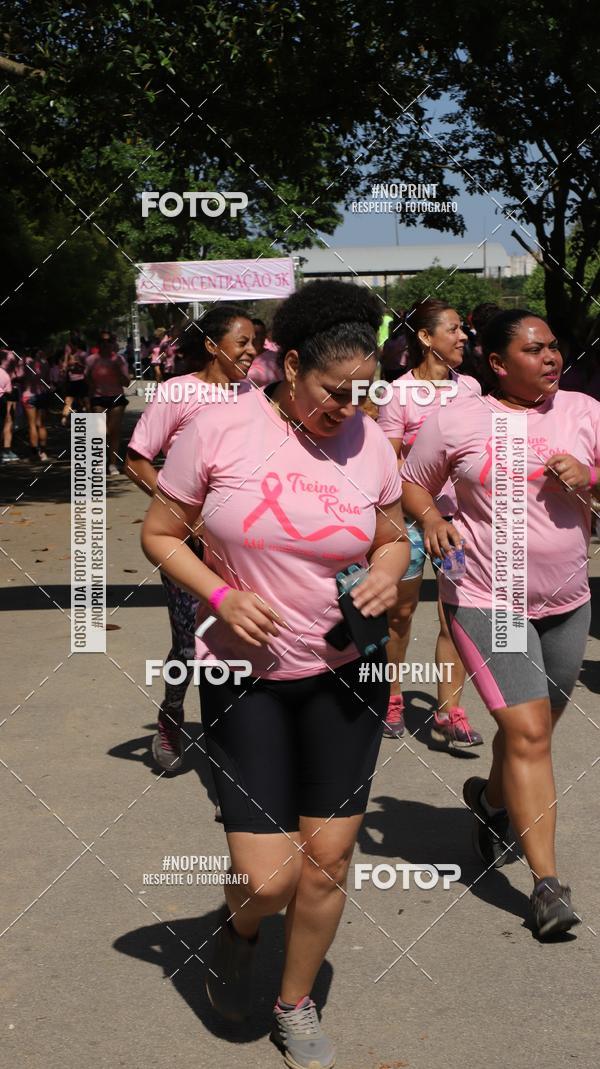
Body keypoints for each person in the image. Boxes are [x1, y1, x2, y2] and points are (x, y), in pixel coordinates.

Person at [141, 280, 409, 1069]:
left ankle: (295, 1004)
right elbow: (161, 532)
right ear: (290, 368)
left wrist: (388, 569)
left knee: (327, 860)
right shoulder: (218, 429)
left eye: (362, 393)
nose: (348, 409)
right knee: (267, 878)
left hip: (347, 675)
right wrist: (222, 594)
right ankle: (241, 925)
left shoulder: (371, 441)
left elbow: (393, 535)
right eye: (334, 391)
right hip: (245, 676)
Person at [401, 308, 598, 937]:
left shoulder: (585, 412)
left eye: (553, 346)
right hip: (490, 599)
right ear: (496, 363)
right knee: (530, 734)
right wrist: (433, 520)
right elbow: (412, 483)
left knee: (529, 735)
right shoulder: (457, 420)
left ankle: (489, 801)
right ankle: (547, 887)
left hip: (568, 603)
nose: (551, 357)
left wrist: (590, 476)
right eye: (534, 349)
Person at [125, 306, 257, 772]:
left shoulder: (254, 395)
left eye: (255, 342)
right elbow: (137, 460)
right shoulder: (177, 391)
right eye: (243, 342)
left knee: (242, 635)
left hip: (243, 542)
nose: (252, 350)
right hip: (186, 542)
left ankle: (238, 739)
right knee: (188, 642)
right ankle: (171, 715)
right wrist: (186, 514)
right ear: (213, 346)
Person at [377, 299, 484, 747]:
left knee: (453, 616)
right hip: (409, 525)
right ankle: (391, 697)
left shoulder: (471, 388)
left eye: (463, 329)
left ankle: (449, 711)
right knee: (399, 615)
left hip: (458, 524)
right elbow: (388, 462)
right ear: (425, 337)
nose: (464, 336)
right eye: (453, 329)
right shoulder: (397, 393)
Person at [87, 330, 130, 475]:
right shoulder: (91, 360)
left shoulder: (119, 360)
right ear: (98, 344)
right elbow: (87, 380)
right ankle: (99, 461)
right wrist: (88, 398)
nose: (105, 344)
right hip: (98, 398)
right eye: (102, 342)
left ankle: (113, 464)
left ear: (113, 343)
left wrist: (118, 371)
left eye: (108, 341)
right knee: (100, 431)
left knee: (114, 431)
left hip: (116, 397)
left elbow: (127, 383)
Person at [21, 350, 53, 461]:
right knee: (41, 425)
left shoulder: (25, 362)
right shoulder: (45, 363)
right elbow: (48, 380)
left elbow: (19, 376)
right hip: (42, 394)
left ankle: (34, 453)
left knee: (32, 425)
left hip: (28, 395)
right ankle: (43, 452)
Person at [247, 316, 283, 387]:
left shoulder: (275, 357)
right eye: (256, 334)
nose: (260, 338)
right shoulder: (239, 357)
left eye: (263, 334)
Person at [61, 345, 89, 424]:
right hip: (71, 382)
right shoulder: (67, 355)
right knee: (68, 401)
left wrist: (79, 364)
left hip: (81, 380)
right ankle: (64, 419)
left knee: (86, 401)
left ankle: (90, 418)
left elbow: (87, 367)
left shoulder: (82, 354)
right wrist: (66, 367)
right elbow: (64, 369)